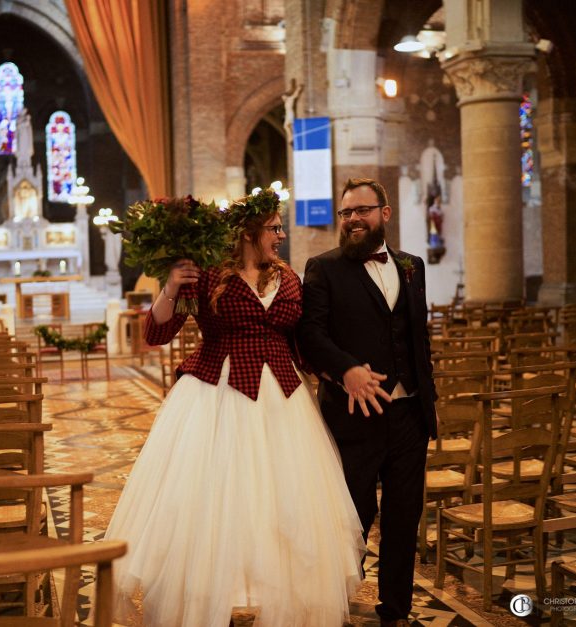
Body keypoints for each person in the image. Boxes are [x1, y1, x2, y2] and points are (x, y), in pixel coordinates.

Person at [105, 190, 365, 627]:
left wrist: (343, 372)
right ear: (248, 232)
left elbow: (306, 338)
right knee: (216, 498)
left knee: (284, 501)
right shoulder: (205, 276)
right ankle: (214, 593)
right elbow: (157, 332)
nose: (281, 235)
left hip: (283, 399)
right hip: (216, 393)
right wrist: (170, 285)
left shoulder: (290, 278)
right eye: (274, 228)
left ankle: (274, 595)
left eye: (280, 227)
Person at [297, 178, 438, 627]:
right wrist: (346, 370)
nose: (354, 218)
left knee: (404, 518)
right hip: (353, 417)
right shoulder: (323, 268)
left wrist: (426, 400)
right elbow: (310, 334)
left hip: (409, 414)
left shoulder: (412, 265)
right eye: (346, 213)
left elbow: (417, 335)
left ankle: (395, 609)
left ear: (385, 213)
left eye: (363, 210)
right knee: (351, 515)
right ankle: (337, 599)